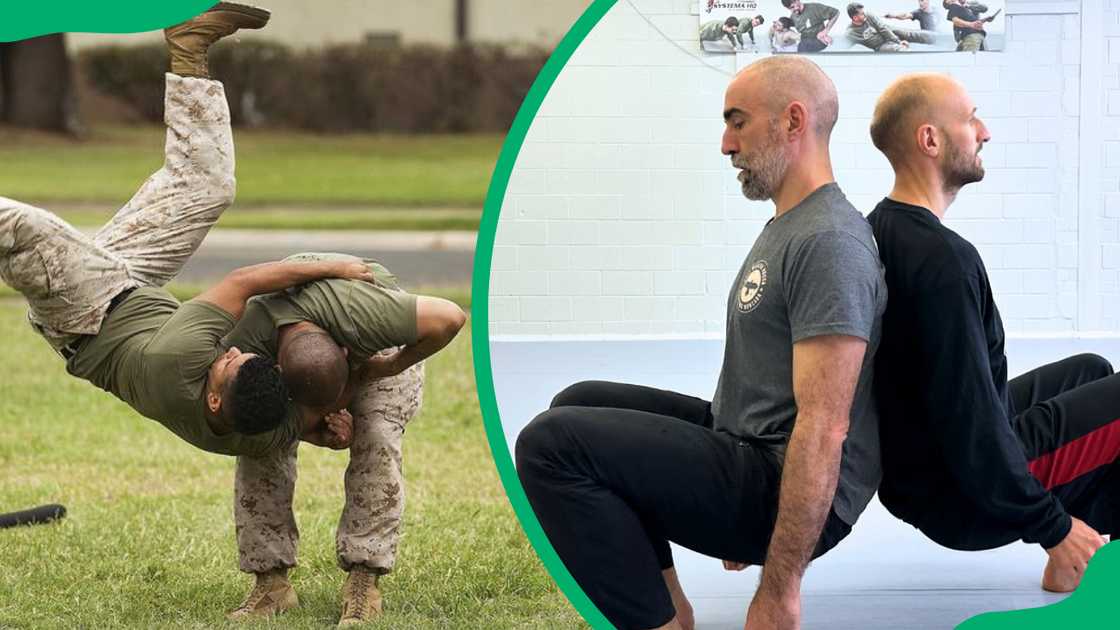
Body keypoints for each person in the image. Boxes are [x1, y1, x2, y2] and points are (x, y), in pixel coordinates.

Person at [516, 55, 886, 630]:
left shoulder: (829, 242)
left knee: (550, 445)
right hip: (749, 444)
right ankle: (671, 610)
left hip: (779, 482)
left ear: (793, 121)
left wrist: (780, 588)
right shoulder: (795, 224)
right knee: (577, 401)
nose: (725, 144)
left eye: (738, 122)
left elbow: (824, 426)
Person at [0, 3, 375, 455]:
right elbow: (295, 423)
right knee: (207, 187)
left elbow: (243, 282)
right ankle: (189, 46)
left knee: (24, 227)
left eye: (229, 364)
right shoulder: (251, 425)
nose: (231, 352)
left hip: (83, 311)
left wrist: (332, 264)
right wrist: (323, 430)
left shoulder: (177, 363)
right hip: (131, 283)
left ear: (213, 398)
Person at [867, 73, 1115, 595]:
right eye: (970, 119)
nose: (985, 132)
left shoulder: (882, 227)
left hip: (923, 473)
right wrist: (1052, 526)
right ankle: (1078, 554)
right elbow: (971, 422)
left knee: (1090, 370)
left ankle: (1079, 563)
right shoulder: (945, 262)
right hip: (962, 495)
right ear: (930, 140)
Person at [222, 254, 466, 625]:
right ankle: (270, 584)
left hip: (379, 356)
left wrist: (386, 367)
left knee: (376, 438)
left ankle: (363, 581)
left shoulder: (371, 318)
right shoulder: (248, 339)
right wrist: (311, 428)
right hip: (296, 350)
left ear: (346, 352)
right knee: (262, 440)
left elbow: (450, 318)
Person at [846, 3, 935, 51]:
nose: (864, 14)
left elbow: (882, 28)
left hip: (889, 31)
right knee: (899, 50)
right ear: (855, 18)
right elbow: (844, 44)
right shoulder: (850, 33)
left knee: (910, 34)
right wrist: (899, 44)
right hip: (881, 45)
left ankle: (936, 38)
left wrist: (897, 41)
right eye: (861, 14)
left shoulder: (868, 15)